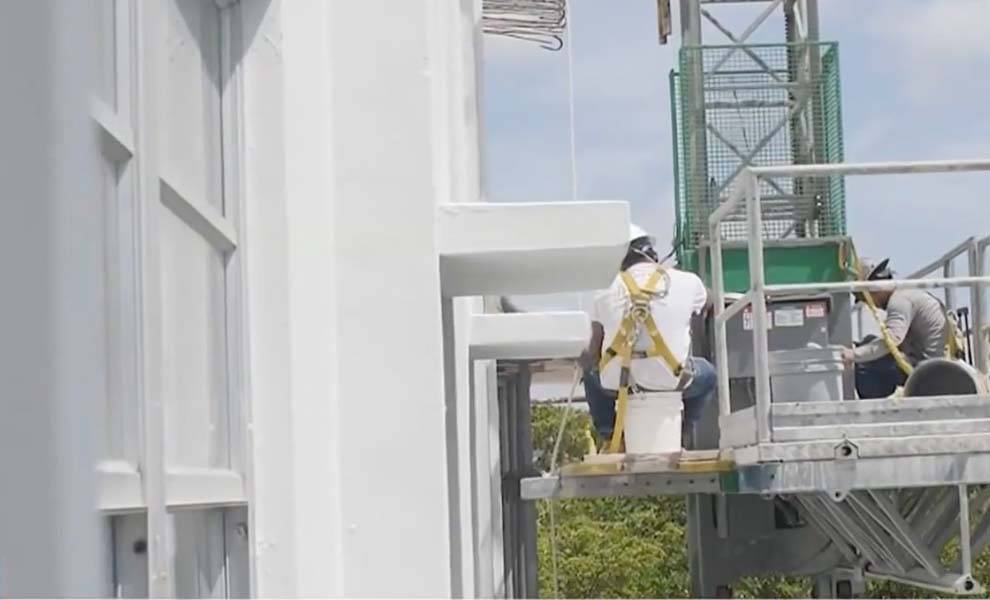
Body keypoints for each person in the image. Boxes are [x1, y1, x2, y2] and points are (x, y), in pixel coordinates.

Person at [581, 224, 716, 449]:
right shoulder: (688, 281)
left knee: (591, 373)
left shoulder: (603, 290)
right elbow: (709, 303)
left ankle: (609, 434)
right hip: (671, 377)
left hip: (618, 381)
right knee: (708, 374)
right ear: (651, 253)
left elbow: (593, 348)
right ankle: (684, 430)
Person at [841, 258, 949, 399]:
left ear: (874, 290)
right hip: (929, 363)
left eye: (866, 298)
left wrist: (853, 355)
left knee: (863, 365)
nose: (871, 304)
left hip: (927, 371)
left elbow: (891, 342)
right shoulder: (906, 294)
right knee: (868, 343)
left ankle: (875, 412)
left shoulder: (899, 301)